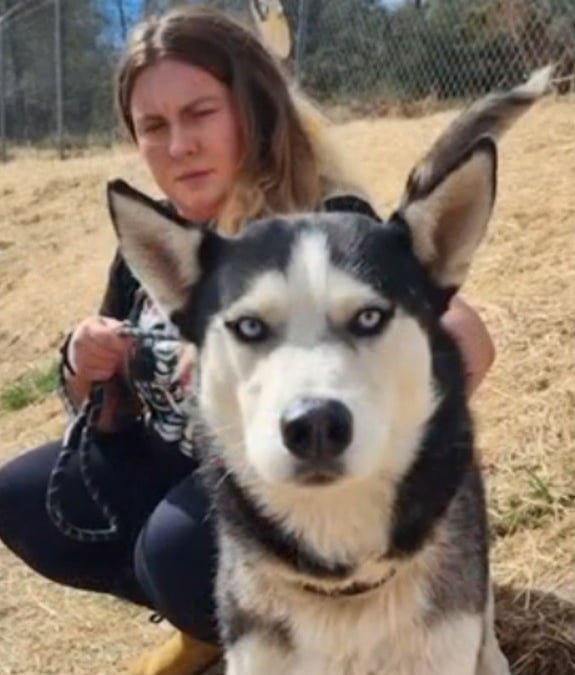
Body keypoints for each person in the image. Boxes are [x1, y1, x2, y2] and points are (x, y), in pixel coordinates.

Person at [0, 6, 495, 675]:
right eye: (154, 126)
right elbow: (105, 410)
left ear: (249, 109)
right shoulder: (162, 244)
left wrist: (369, 428)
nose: (179, 145)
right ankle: (203, 616)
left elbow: (463, 338)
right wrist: (86, 362)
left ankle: (258, 599)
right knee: (24, 496)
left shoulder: (325, 228)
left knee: (176, 546)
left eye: (200, 113)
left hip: (294, 478)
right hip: (196, 465)